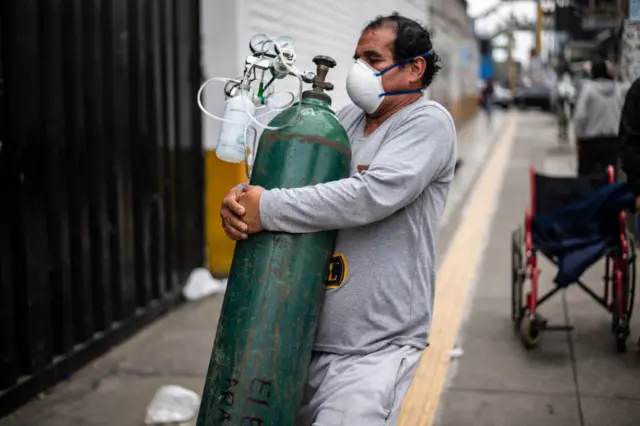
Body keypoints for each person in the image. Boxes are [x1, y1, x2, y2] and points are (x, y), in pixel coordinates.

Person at [220, 13, 456, 425]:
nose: (358, 70)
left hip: (373, 347)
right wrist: (241, 204)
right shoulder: (343, 121)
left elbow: (371, 195)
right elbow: (295, 188)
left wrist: (269, 208)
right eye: (356, 58)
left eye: (372, 58)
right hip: (299, 332)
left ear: (415, 67)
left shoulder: (428, 123)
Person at [573, 59, 627, 174]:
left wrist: (579, 137)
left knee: (588, 178)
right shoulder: (618, 89)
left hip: (591, 142)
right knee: (611, 177)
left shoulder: (588, 89)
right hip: (613, 141)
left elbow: (580, 116)